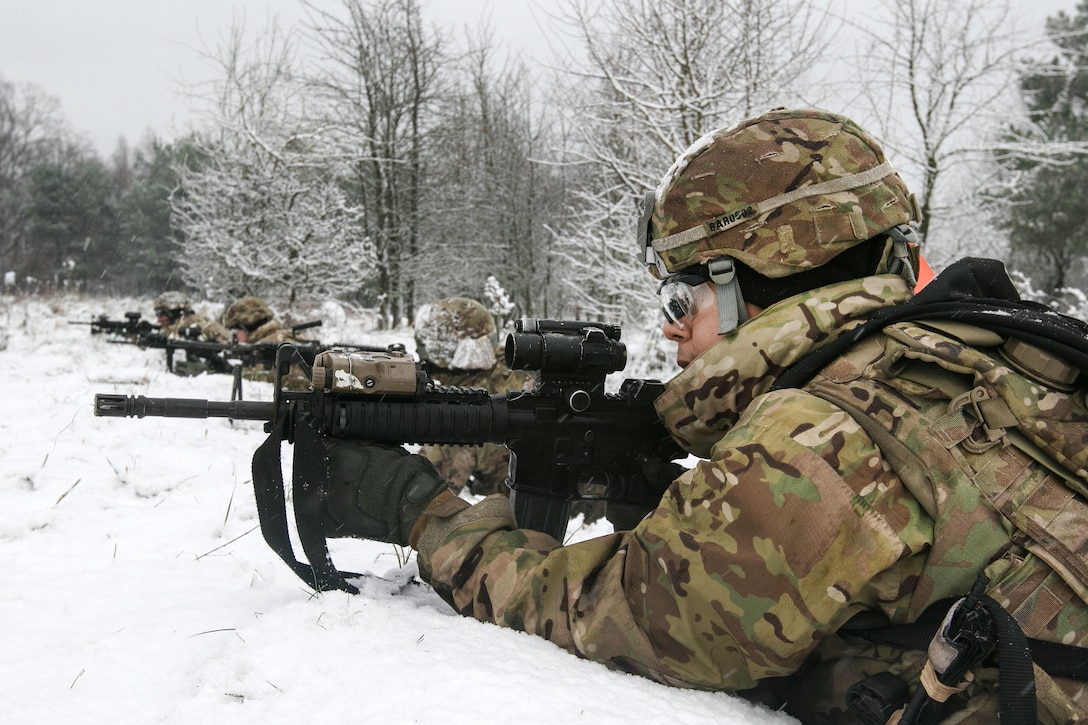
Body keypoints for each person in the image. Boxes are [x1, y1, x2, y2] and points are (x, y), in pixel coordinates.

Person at [320, 109, 1088, 723]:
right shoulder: (978, 361)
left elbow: (610, 619)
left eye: (679, 298)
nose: (668, 327)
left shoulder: (825, 434)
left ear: (748, 278)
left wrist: (423, 514)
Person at [414, 297, 530, 496]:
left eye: (425, 344)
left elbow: (416, 502)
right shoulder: (513, 367)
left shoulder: (463, 416)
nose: (420, 350)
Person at [222, 297, 292, 344]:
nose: (234, 335)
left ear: (246, 327)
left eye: (235, 329)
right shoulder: (284, 337)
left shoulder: (270, 345)